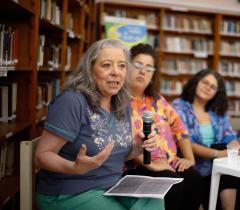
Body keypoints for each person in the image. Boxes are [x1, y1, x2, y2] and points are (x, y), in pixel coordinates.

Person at [34, 39, 164, 210]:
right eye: (107, 65)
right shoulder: (72, 101)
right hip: (70, 192)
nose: (116, 72)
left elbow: (115, 155)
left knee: (154, 201)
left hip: (112, 187)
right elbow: (41, 156)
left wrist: (138, 147)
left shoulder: (121, 104)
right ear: (90, 69)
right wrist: (74, 167)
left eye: (122, 66)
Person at [125, 43, 203, 210]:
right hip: (138, 165)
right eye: (137, 65)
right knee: (171, 183)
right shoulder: (119, 101)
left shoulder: (157, 100)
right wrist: (151, 164)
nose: (142, 71)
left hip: (169, 161)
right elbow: (123, 140)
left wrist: (190, 159)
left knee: (195, 179)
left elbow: (180, 128)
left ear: (153, 75)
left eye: (148, 68)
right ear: (127, 66)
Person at [172, 69, 240, 210]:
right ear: (196, 82)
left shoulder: (217, 110)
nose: (208, 88)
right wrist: (219, 154)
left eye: (213, 87)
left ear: (217, 92)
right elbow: (186, 142)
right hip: (192, 165)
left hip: (216, 168)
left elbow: (228, 133)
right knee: (224, 157)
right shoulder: (179, 106)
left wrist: (235, 145)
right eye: (205, 82)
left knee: (230, 161)